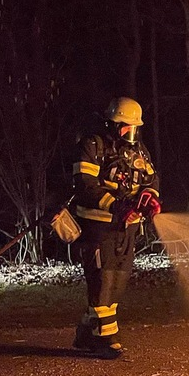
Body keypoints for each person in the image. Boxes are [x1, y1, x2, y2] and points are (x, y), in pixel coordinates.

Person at [70, 97, 161, 359]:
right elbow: (85, 185)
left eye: (134, 128)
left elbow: (151, 177)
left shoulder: (139, 150)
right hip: (97, 226)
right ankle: (105, 339)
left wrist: (149, 196)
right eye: (125, 127)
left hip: (127, 229)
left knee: (117, 283)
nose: (130, 134)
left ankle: (87, 332)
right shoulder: (92, 146)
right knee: (102, 281)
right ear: (112, 124)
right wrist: (116, 206)